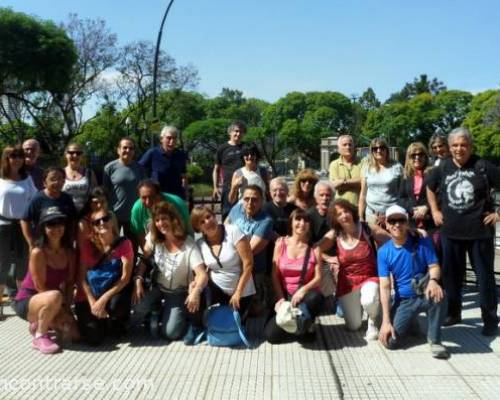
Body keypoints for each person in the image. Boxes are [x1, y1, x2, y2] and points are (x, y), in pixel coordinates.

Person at [426, 127, 500, 336]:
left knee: (485, 279)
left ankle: (490, 319)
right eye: (455, 145)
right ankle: (453, 312)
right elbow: (429, 188)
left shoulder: (483, 166)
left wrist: (498, 214)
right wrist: (435, 210)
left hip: (479, 233)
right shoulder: (443, 167)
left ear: (471, 146)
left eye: (463, 145)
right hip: (451, 232)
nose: (459, 149)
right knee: (451, 277)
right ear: (450, 147)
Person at [377, 205, 448, 359]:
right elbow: (385, 286)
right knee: (390, 342)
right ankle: (411, 323)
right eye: (392, 221)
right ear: (386, 224)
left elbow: (434, 266)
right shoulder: (383, 252)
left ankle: (435, 339)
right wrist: (386, 320)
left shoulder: (422, 241)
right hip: (404, 300)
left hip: (424, 293)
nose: (397, 224)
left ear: (407, 223)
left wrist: (434, 281)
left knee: (440, 295)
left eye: (401, 220)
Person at [133, 202, 208, 341]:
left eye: (164, 219)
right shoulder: (154, 238)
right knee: (137, 307)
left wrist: (196, 291)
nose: (160, 223)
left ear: (174, 220)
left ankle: (180, 315)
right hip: (158, 287)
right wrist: (138, 279)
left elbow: (202, 274)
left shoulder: (188, 243)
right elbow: (144, 259)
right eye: (157, 220)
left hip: (178, 292)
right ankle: (157, 310)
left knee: (170, 333)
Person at [12, 206, 80, 354]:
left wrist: (67, 309)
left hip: (53, 301)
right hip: (27, 301)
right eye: (51, 224)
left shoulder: (69, 252)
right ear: (43, 228)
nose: (56, 228)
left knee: (75, 335)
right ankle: (40, 336)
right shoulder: (38, 252)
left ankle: (41, 323)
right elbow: (40, 287)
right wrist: (60, 311)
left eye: (60, 223)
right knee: (55, 296)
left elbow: (69, 284)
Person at [322, 199, 389, 340]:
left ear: (352, 212)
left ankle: (373, 321)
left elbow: (393, 241)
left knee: (369, 300)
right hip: (347, 283)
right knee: (354, 326)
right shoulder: (335, 234)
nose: (344, 216)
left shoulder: (366, 228)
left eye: (346, 211)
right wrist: (328, 258)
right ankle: (367, 309)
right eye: (339, 214)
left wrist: (412, 232)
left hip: (369, 277)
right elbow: (315, 248)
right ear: (335, 219)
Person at [191, 206, 255, 335]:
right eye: (202, 222)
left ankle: (248, 310)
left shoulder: (233, 231)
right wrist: (194, 286)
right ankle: (196, 327)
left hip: (241, 291)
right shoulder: (199, 244)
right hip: (217, 288)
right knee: (195, 292)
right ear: (199, 228)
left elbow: (248, 264)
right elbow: (200, 272)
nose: (207, 222)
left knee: (234, 327)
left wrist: (238, 292)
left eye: (208, 217)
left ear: (215, 216)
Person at [264, 209, 324, 344]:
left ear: (309, 225)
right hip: (286, 295)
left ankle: (301, 324)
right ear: (291, 222)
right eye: (298, 219)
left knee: (316, 297)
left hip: (305, 297)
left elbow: (318, 277)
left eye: (306, 220)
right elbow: (275, 274)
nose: (302, 223)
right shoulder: (280, 244)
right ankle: (302, 326)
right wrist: (280, 298)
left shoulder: (315, 249)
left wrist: (302, 291)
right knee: (271, 336)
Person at [76, 208, 134, 345]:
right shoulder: (88, 244)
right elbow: (82, 277)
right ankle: (102, 321)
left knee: (117, 305)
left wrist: (103, 299)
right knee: (94, 339)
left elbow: (125, 278)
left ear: (112, 221)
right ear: (93, 227)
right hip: (90, 294)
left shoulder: (124, 244)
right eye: (96, 222)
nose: (101, 223)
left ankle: (115, 320)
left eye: (105, 219)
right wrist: (92, 302)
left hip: (112, 291)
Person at [0, 146, 37, 312]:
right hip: (3, 226)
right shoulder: (0, 178)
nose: (16, 159)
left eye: (19, 156)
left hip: (24, 226)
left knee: (23, 264)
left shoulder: (27, 178)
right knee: (2, 264)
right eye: (12, 156)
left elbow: (35, 200)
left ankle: (22, 302)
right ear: (6, 158)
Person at [226, 185, 273, 314]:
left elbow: (250, 251)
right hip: (231, 266)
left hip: (253, 270)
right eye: (246, 199)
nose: (250, 203)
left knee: (253, 311)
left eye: (254, 199)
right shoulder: (236, 209)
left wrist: (227, 258)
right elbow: (224, 230)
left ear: (262, 201)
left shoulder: (266, 221)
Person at [21, 167, 77, 250]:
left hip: (63, 242)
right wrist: (30, 241)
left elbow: (73, 220)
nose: (57, 182)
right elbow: (25, 220)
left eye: (60, 178)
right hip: (42, 243)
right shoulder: (37, 199)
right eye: (52, 179)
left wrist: (72, 238)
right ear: (44, 182)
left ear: (64, 181)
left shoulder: (67, 198)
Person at [130, 179, 190, 250]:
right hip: (155, 240)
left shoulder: (177, 204)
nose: (148, 202)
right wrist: (148, 256)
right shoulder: (137, 209)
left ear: (159, 194)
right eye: (143, 198)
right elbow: (140, 234)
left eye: (151, 197)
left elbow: (184, 231)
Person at [103, 137, 145, 237]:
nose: (128, 151)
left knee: (132, 249)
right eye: (125, 148)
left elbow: (143, 191)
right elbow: (105, 192)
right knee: (114, 247)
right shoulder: (109, 168)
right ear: (118, 150)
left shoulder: (139, 168)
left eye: (131, 148)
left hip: (134, 215)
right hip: (114, 215)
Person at [359, 137, 403, 227]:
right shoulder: (366, 167)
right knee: (374, 240)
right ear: (372, 151)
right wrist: (360, 217)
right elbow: (363, 194)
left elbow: (402, 193)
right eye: (375, 148)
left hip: (392, 214)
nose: (378, 151)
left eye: (382, 147)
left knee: (394, 240)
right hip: (372, 214)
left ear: (387, 150)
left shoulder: (397, 167)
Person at [138, 126, 188, 199]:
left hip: (176, 197)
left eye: (174, 138)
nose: (172, 141)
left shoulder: (180, 155)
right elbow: (139, 169)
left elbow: (184, 176)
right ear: (161, 139)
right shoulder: (152, 153)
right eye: (169, 138)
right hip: (157, 197)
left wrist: (185, 193)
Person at [398, 142, 435, 232]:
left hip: (431, 222)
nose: (417, 157)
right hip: (411, 223)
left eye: (420, 154)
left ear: (425, 156)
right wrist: (412, 209)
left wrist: (426, 207)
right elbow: (401, 198)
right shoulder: (405, 176)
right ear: (409, 158)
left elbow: (440, 196)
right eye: (413, 155)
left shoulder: (433, 173)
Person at [213, 121, 246, 219]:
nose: (238, 134)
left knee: (245, 216)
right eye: (236, 131)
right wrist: (215, 187)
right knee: (227, 216)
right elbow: (216, 169)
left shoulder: (246, 147)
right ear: (230, 132)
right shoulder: (222, 149)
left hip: (244, 188)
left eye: (241, 132)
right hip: (228, 188)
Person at [62, 142, 97, 213]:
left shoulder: (89, 173)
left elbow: (95, 193)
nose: (75, 155)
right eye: (71, 153)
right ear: (66, 155)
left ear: (82, 156)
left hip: (85, 214)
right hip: (65, 214)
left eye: (78, 153)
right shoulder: (60, 173)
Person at [329, 135, 362, 206]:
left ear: (354, 147)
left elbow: (364, 181)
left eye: (350, 145)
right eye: (344, 145)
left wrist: (343, 182)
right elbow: (334, 185)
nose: (348, 147)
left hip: (360, 207)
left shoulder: (363, 162)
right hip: (341, 208)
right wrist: (356, 182)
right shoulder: (334, 164)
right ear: (338, 149)